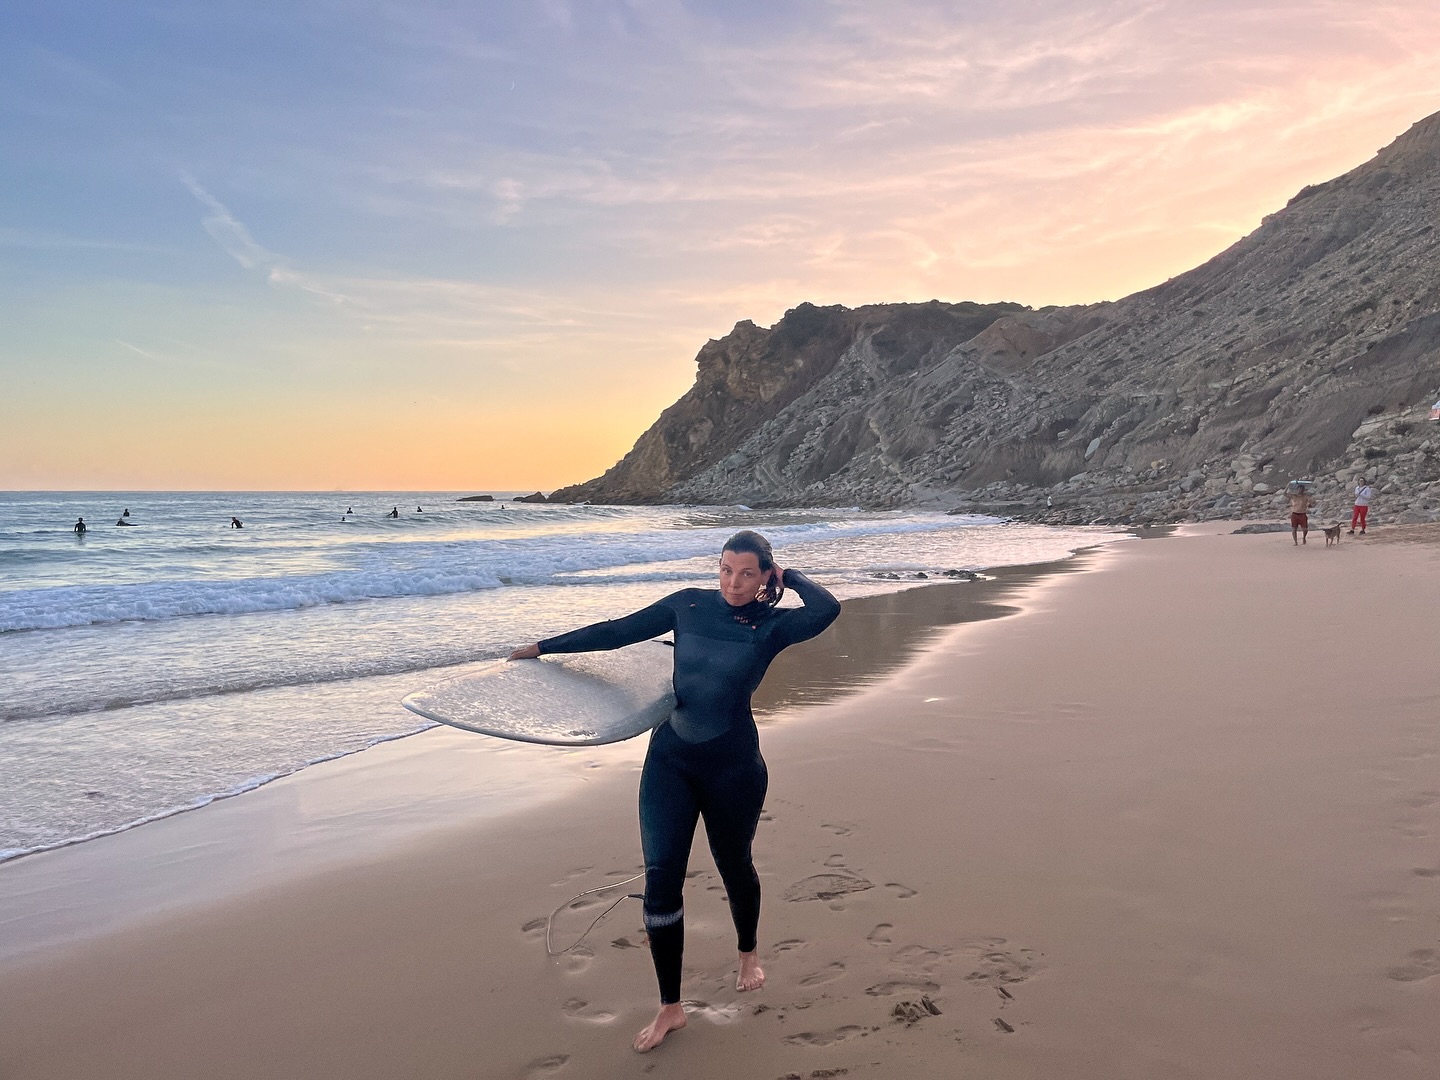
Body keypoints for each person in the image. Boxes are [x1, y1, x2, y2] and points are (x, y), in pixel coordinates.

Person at [509, 531, 840, 1053]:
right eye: (726, 569)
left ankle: (748, 952)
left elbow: (828, 609)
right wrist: (545, 647)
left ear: (764, 577)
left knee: (734, 863)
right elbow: (619, 631)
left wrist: (790, 578)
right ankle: (670, 1007)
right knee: (662, 881)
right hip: (671, 761)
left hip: (733, 768)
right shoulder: (687, 606)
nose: (733, 582)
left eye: (748, 573)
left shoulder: (773, 625)